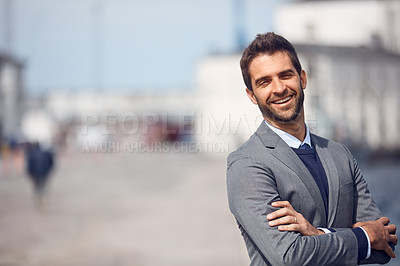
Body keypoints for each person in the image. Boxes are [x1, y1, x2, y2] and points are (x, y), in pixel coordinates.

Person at [226, 32, 397, 265]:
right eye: (264, 81)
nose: (278, 88)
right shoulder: (247, 164)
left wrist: (317, 235)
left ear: (303, 79)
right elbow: (290, 256)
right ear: (252, 95)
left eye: (286, 75)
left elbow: (385, 245)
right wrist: (363, 237)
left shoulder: (341, 154)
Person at [26, 142, 55, 209]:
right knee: (43, 187)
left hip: (36, 175)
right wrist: (49, 171)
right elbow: (51, 162)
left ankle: (40, 198)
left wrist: (30, 173)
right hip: (45, 173)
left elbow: (29, 165)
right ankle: (43, 198)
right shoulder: (46, 153)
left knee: (37, 188)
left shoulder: (32, 154)